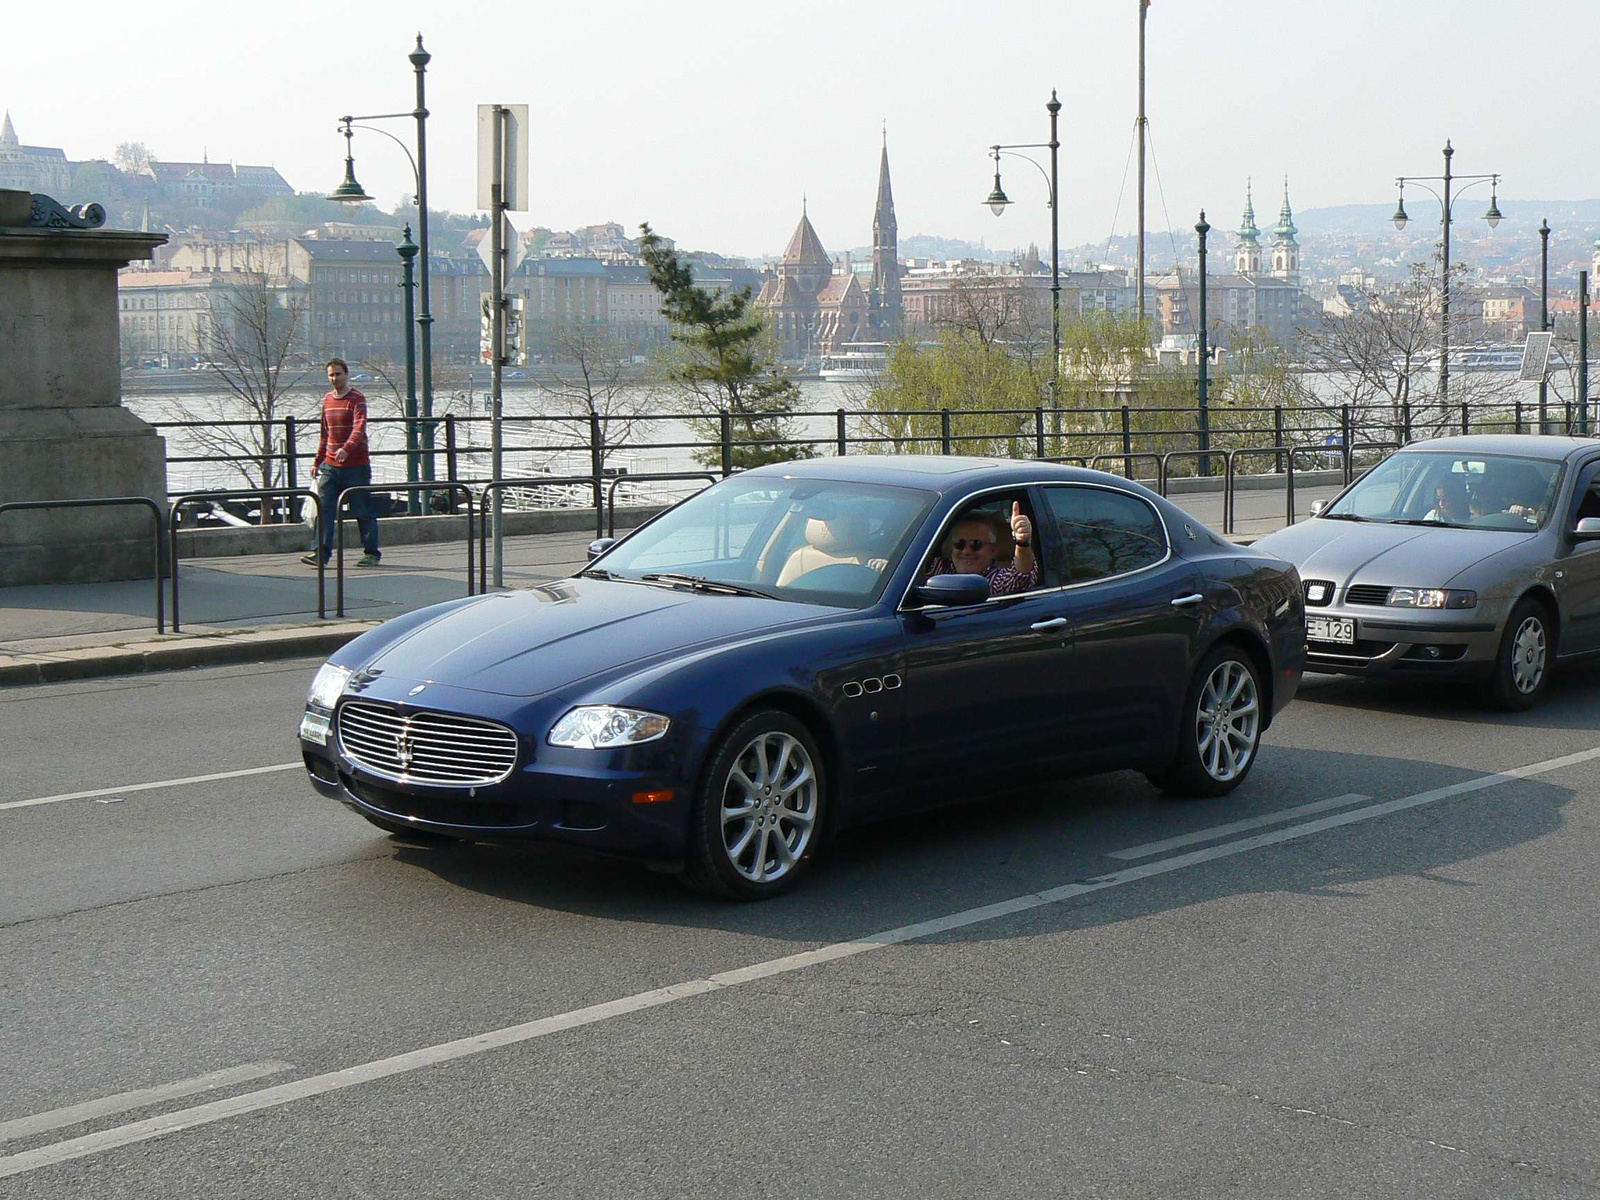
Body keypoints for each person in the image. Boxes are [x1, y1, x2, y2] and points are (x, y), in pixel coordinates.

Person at [302, 359, 381, 567]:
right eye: (331, 375)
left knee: (363, 510)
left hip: (356, 465)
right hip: (330, 465)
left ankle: (371, 552)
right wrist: (318, 460)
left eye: (338, 374)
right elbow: (324, 434)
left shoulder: (356, 399)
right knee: (324, 510)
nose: (334, 378)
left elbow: (359, 426)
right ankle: (320, 553)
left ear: (347, 375)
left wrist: (347, 448)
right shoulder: (328, 400)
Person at [922, 501, 1038, 597]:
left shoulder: (994, 580)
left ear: (993, 550)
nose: (966, 551)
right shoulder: (937, 567)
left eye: (976, 544)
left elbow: (1021, 576)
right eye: (959, 543)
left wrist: (1022, 542)